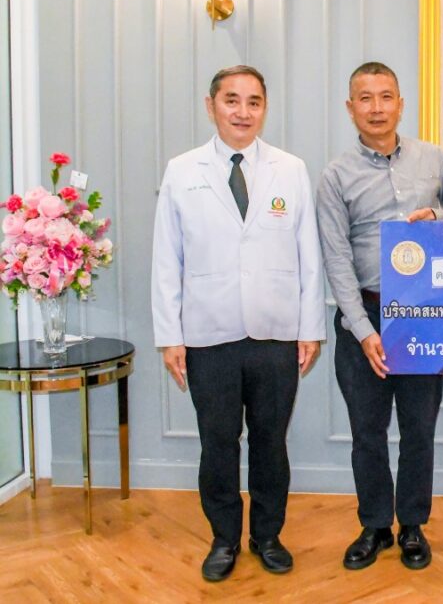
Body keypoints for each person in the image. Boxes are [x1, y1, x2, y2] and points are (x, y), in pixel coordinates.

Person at [151, 65, 325, 582]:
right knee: (218, 444)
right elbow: (166, 259)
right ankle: (224, 538)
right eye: (232, 100)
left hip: (276, 333)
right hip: (208, 335)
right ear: (211, 106)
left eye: (253, 102)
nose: (243, 112)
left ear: (264, 108)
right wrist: (170, 336)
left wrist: (310, 328)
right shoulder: (182, 170)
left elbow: (309, 254)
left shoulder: (290, 169)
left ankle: (267, 535)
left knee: (271, 442)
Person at [317, 62, 443, 571]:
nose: (376, 107)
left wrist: (439, 216)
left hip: (425, 316)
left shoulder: (433, 159)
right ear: (351, 108)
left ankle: (412, 525)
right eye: (365, 98)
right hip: (362, 316)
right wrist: (364, 331)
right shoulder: (335, 176)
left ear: (401, 103)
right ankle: (374, 526)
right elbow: (336, 259)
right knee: (367, 432)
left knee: (418, 429)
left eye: (385, 96)